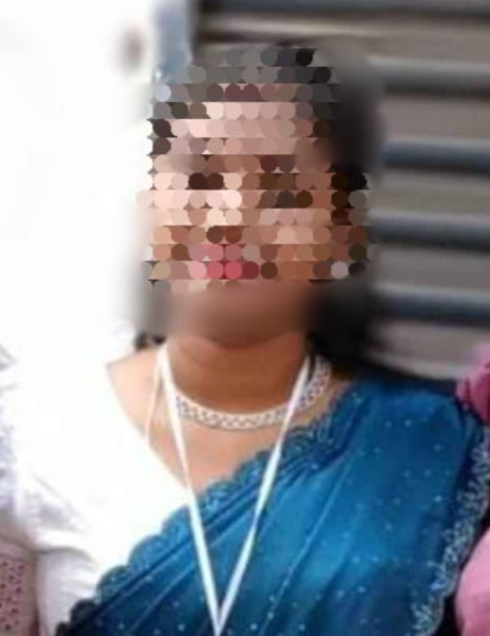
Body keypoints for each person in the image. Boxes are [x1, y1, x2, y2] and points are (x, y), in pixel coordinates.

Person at [1, 41, 489, 636]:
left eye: (280, 191)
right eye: (201, 179)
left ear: (341, 235)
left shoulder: (429, 451)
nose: (231, 215)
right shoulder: (34, 436)